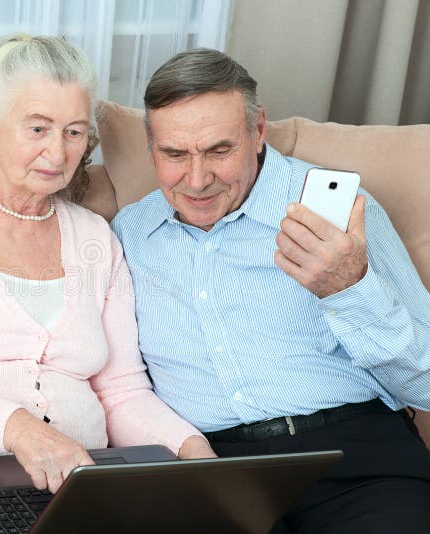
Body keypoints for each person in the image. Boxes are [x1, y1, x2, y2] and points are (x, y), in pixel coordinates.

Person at [0, 35, 215, 533]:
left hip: (84, 481)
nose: (57, 152)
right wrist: (17, 428)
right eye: (38, 128)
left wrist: (192, 450)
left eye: (74, 132)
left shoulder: (95, 236)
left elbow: (121, 391)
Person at [110, 47, 430, 532]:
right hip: (213, 469)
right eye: (174, 154)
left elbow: (425, 385)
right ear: (151, 147)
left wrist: (349, 289)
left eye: (219, 150)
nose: (197, 181)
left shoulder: (337, 213)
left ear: (258, 130)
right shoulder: (130, 233)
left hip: (356, 460)